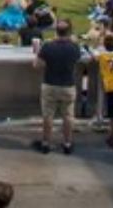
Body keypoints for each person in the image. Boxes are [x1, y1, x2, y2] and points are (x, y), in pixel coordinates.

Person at [32, 19, 82, 154]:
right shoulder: (74, 47)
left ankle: (46, 143)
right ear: (69, 32)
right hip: (68, 85)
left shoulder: (48, 46)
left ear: (56, 31)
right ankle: (67, 143)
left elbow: (37, 65)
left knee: (48, 116)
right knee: (68, 116)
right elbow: (78, 59)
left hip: (50, 84)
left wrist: (39, 53)